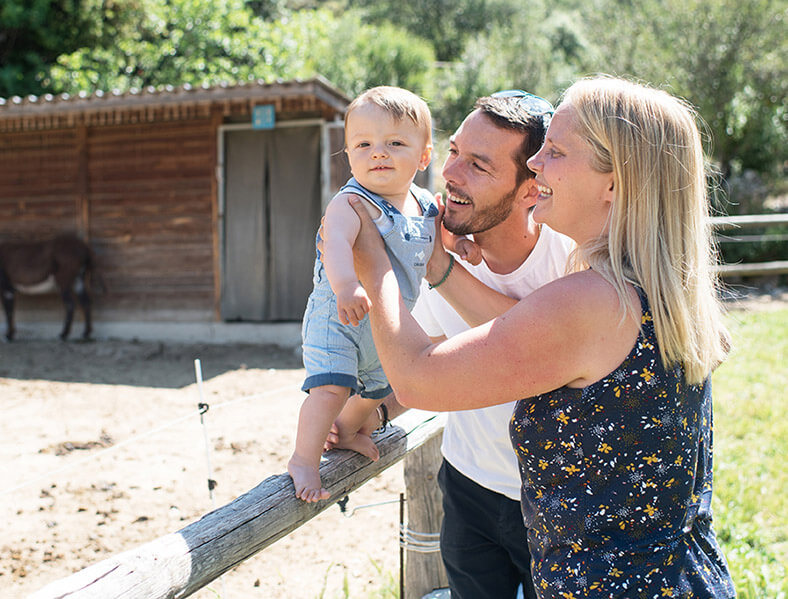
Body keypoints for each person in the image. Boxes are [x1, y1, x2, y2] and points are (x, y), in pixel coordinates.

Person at [347, 76, 736, 597]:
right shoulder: (655, 287)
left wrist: (374, 266)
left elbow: (419, 380)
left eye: (555, 151)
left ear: (614, 184)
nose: (535, 165)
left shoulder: (592, 301)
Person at [329, 90, 572, 599]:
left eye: (478, 165)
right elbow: (429, 358)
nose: (451, 174)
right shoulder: (433, 244)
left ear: (533, 189)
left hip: (553, 501)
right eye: (454, 151)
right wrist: (359, 417)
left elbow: (539, 345)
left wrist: (436, 271)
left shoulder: (571, 259)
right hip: (468, 486)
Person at [288, 86, 438, 503]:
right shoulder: (353, 202)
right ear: (349, 154)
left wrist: (464, 245)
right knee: (332, 389)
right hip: (339, 313)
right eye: (364, 144)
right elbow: (335, 242)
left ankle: (349, 431)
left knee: (374, 390)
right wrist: (346, 285)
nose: (379, 153)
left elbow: (438, 245)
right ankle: (303, 458)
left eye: (395, 143)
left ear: (423, 156)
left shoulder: (425, 206)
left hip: (385, 323)